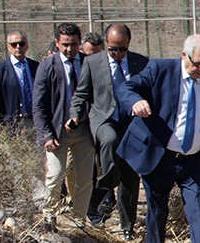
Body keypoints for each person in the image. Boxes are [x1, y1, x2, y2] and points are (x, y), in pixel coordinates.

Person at [117, 34, 200, 243]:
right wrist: (136, 102)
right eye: (199, 63)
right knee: (157, 214)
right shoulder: (160, 70)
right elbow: (126, 88)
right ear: (184, 55)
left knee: (199, 214)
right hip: (160, 157)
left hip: (192, 160)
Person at [69, 24, 148, 239]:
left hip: (132, 124)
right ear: (106, 44)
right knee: (110, 140)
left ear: (129, 44)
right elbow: (81, 94)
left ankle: (127, 226)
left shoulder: (141, 62)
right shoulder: (93, 63)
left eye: (122, 49)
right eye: (113, 49)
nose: (118, 54)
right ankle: (107, 182)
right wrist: (75, 114)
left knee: (130, 176)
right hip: (104, 119)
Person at [32, 23, 94, 231]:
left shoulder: (88, 63)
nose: (69, 49)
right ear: (57, 43)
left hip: (84, 131)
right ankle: (48, 218)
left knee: (84, 178)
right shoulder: (47, 66)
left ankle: (79, 221)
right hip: (57, 132)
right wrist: (46, 134)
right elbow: (38, 104)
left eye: (74, 44)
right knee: (55, 175)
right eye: (65, 44)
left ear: (80, 43)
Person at [0, 31, 40, 132]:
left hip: (35, 123)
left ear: (27, 46)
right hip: (12, 125)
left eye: (21, 44)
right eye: (14, 44)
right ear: (8, 47)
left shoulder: (36, 67)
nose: (18, 47)